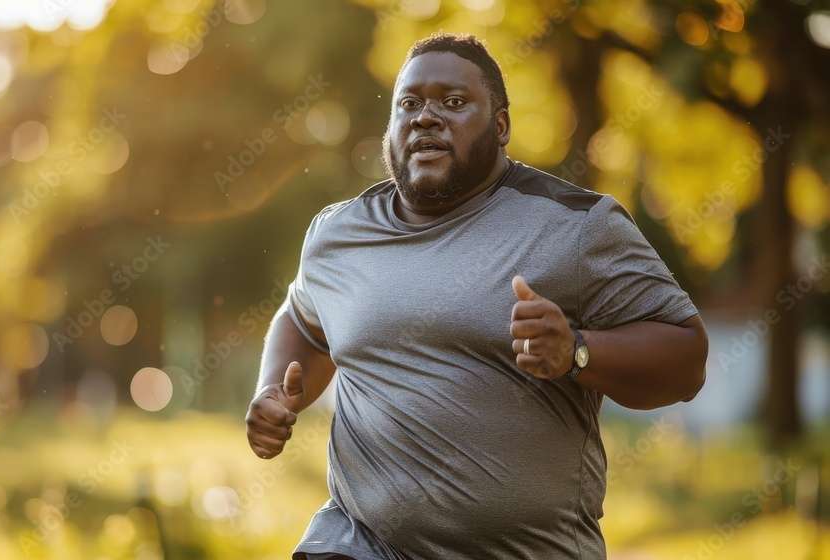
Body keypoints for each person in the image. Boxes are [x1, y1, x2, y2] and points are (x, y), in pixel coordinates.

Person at [244, 32, 708, 560]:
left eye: (454, 102)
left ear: (502, 125)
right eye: (409, 104)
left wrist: (577, 352)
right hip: (360, 542)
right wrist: (271, 392)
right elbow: (304, 321)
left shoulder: (576, 226)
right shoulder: (338, 235)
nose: (425, 117)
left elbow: (687, 359)